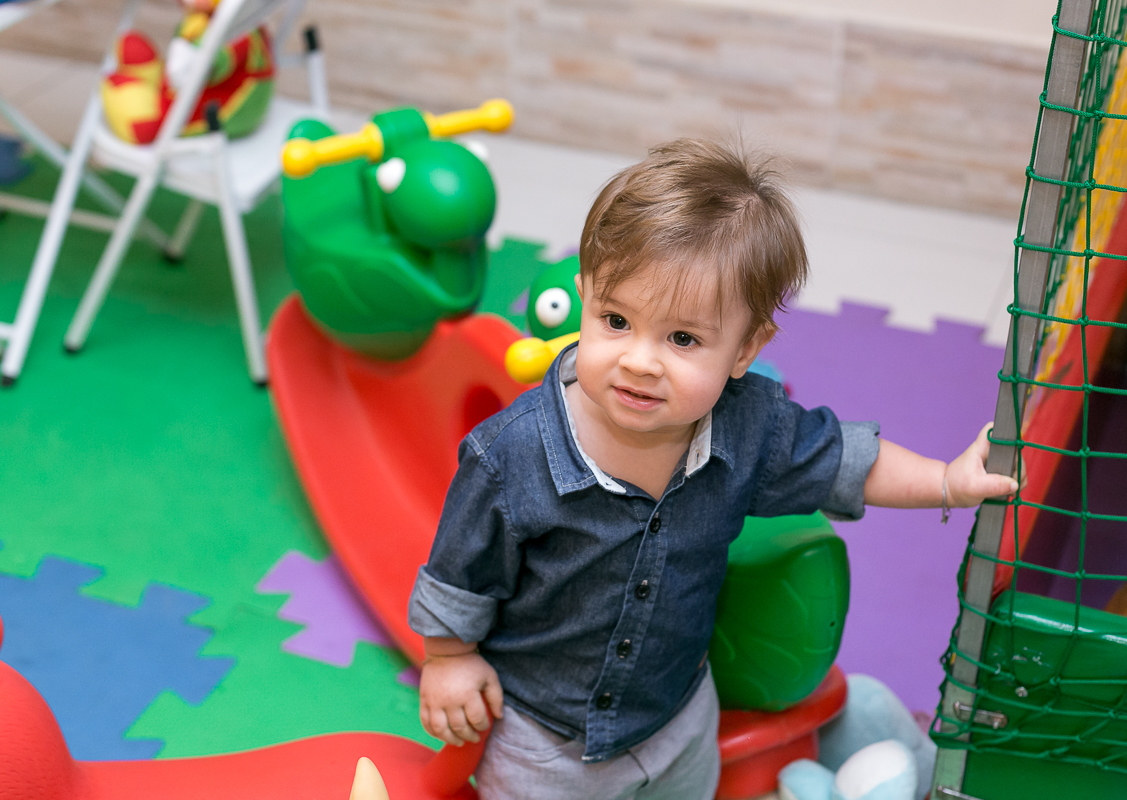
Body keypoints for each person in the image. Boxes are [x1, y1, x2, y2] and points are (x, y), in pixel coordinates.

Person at [406, 138, 1019, 800]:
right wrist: (449, 658)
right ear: (583, 298)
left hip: (676, 714)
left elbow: (847, 460)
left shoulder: (747, 424)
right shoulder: (510, 455)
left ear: (744, 350)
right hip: (541, 734)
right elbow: (461, 573)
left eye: (682, 339)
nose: (640, 360)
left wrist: (946, 482)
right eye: (615, 320)